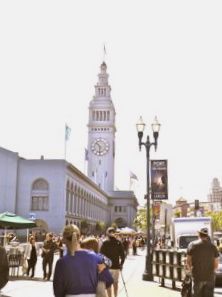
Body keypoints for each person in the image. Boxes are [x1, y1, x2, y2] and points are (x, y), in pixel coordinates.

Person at [53, 224, 113, 297]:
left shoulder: (62, 262)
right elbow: (109, 279)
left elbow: (58, 290)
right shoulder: (95, 257)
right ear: (79, 237)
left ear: (64, 239)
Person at [186, 227, 219, 297]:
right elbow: (216, 264)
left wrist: (190, 271)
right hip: (209, 277)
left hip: (197, 276)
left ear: (199, 235)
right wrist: (213, 272)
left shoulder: (192, 245)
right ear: (207, 236)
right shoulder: (213, 246)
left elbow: (188, 261)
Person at [100, 227, 125, 297]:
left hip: (107, 267)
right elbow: (123, 255)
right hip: (116, 267)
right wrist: (121, 264)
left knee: (108, 284)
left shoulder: (105, 243)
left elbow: (101, 255)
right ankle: (116, 295)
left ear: (107, 234)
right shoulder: (118, 243)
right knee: (115, 283)